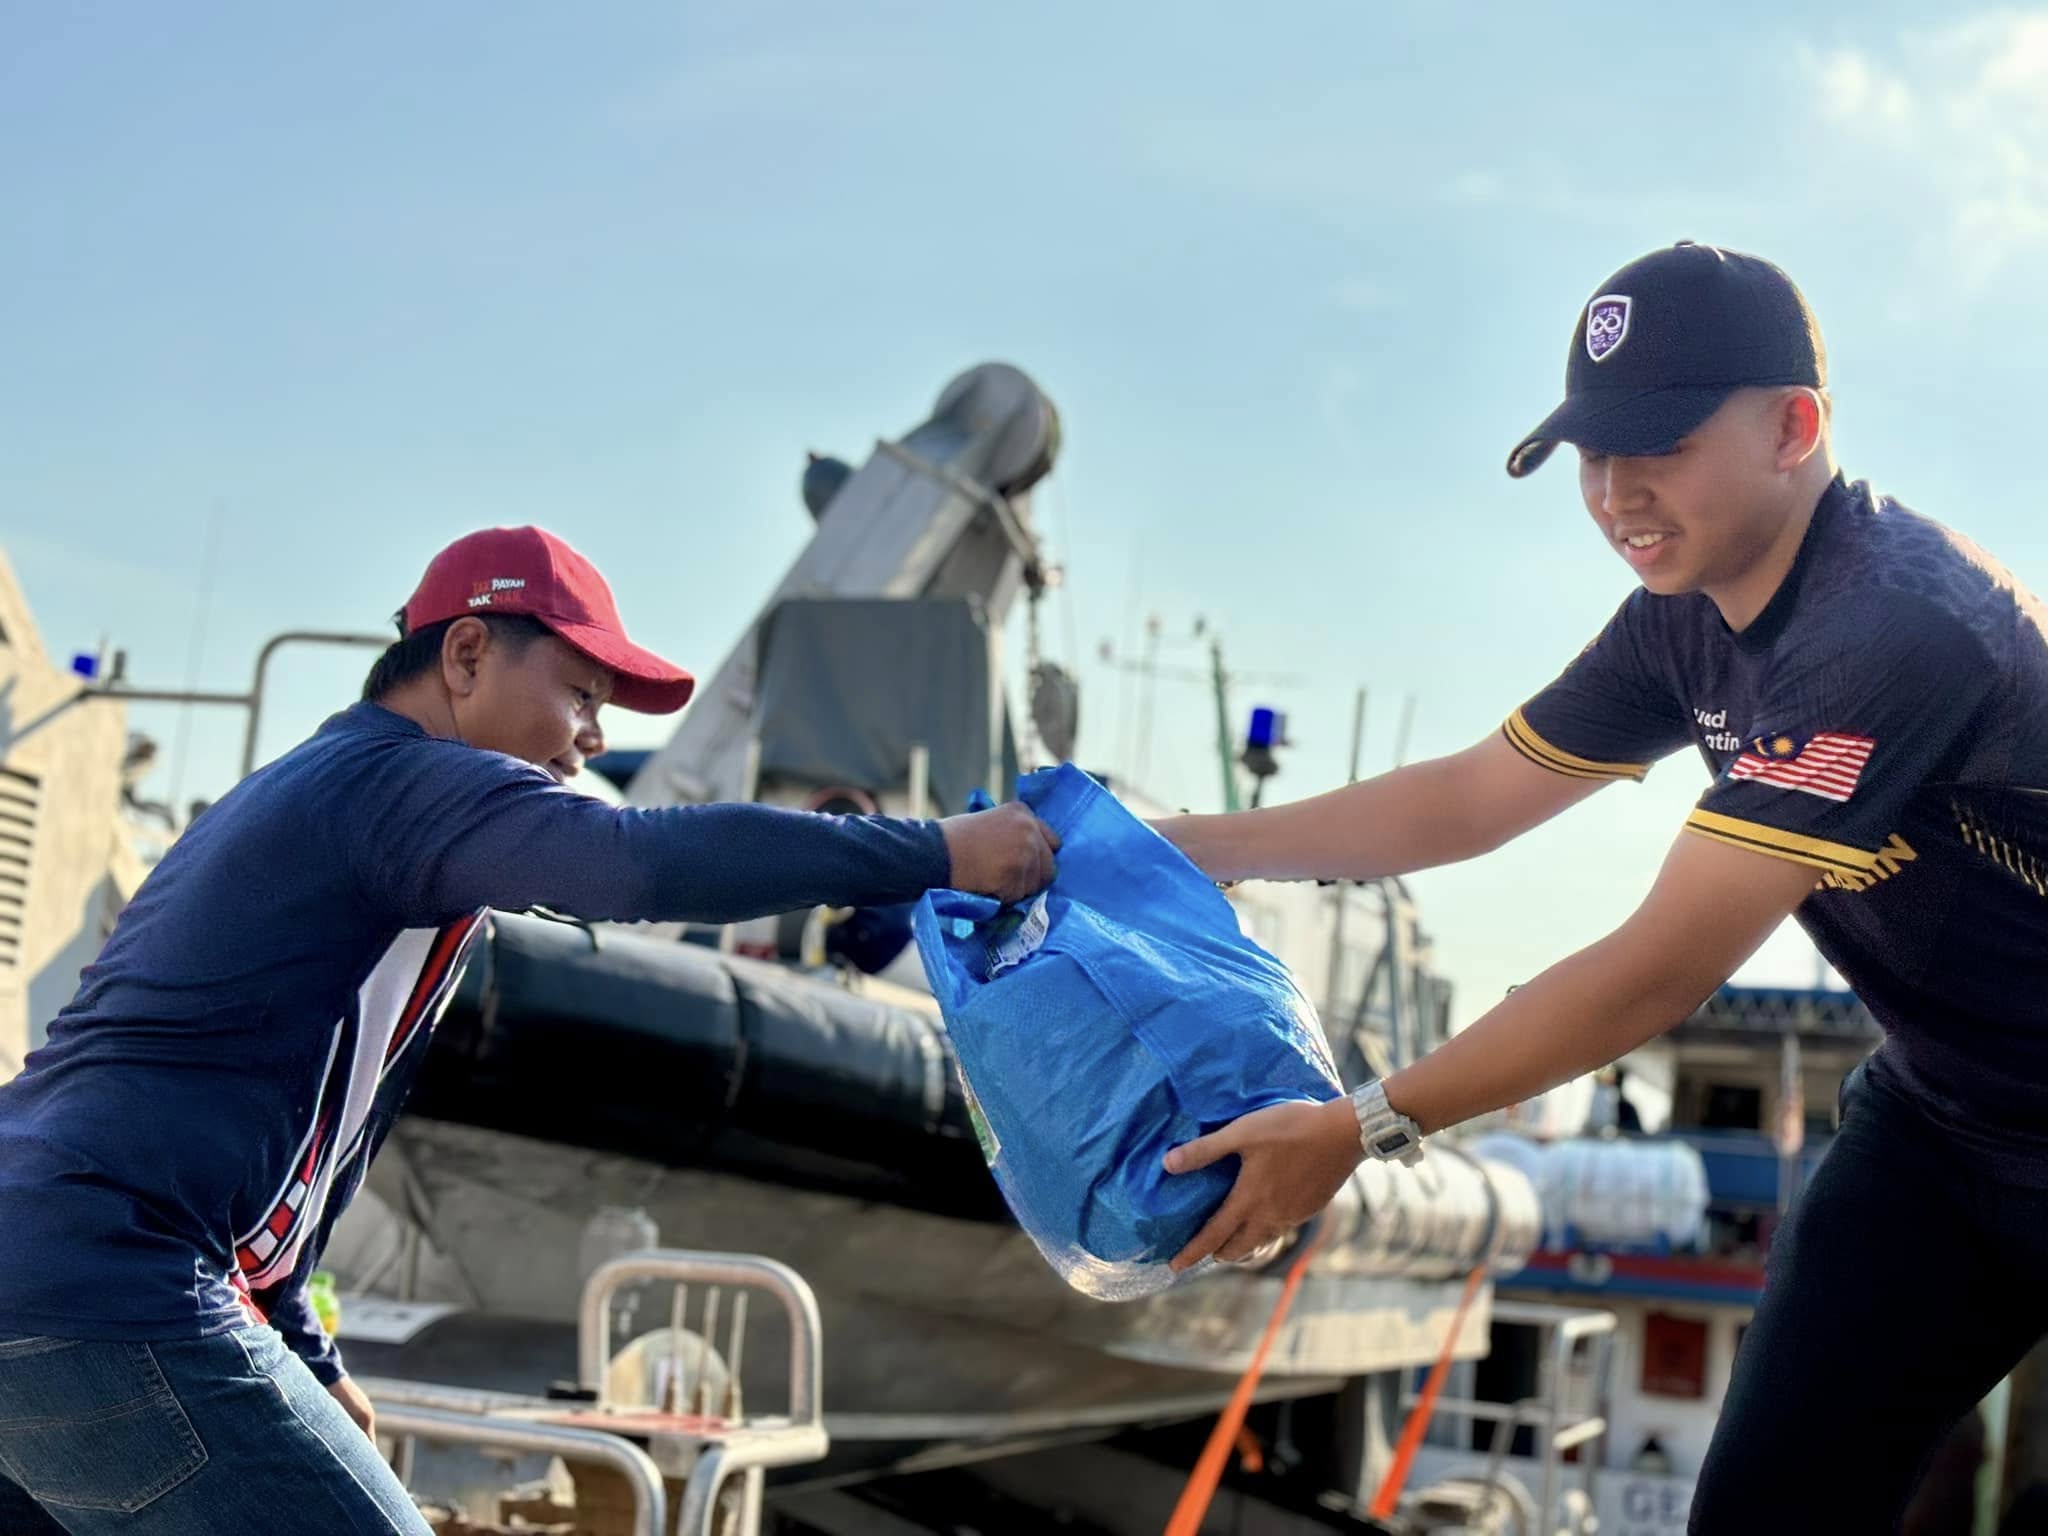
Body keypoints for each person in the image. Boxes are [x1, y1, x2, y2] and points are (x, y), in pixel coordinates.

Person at [1153, 241, 2048, 1532]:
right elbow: (1465, 800)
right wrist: (1172, 845)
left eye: (1659, 445)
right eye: (1590, 454)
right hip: (1943, 1128)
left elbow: (1657, 969)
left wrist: (1361, 1129)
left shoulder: (1894, 627)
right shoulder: (1687, 616)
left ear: (1795, 427)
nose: (1617, 492)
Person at [0, 525, 1058, 1534]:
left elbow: (289, 1142)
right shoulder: (399, 784)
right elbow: (632, 864)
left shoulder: (309, 797)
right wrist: (936, 850)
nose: (595, 739)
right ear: (465, 653)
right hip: (107, 1281)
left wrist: (312, 1360)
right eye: (582, 695)